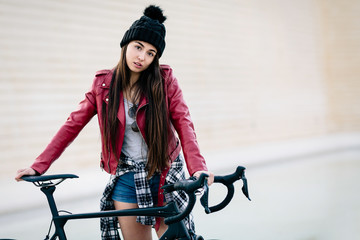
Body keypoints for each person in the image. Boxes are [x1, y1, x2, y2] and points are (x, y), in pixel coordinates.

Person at [15, 5, 214, 240]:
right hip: (127, 179)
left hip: (166, 174)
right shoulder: (103, 85)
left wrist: (198, 167)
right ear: (126, 45)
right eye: (138, 47)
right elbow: (73, 124)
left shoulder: (165, 80)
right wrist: (39, 165)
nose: (142, 57)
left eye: (151, 53)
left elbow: (184, 122)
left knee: (178, 237)